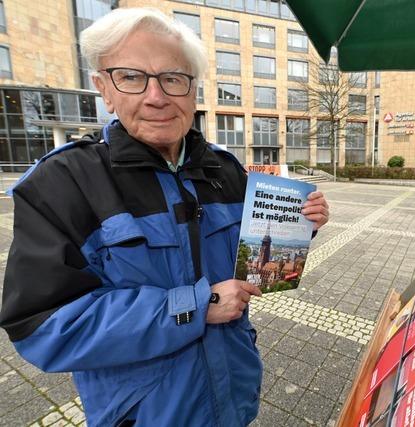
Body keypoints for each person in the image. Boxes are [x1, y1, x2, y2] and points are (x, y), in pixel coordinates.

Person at [0, 7, 329, 427]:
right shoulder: (63, 184)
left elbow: (256, 260)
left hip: (235, 396)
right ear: (105, 88)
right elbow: (43, 328)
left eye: (173, 78)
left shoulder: (226, 171)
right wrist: (196, 305)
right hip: (145, 414)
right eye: (132, 77)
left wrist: (301, 224)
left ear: (193, 90)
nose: (157, 96)